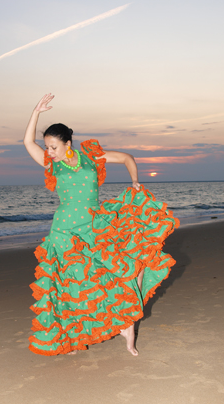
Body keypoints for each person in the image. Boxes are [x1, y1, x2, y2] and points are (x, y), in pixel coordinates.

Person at [24, 93, 179, 356]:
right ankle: (71, 338)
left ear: (68, 143)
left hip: (94, 225)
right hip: (64, 230)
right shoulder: (52, 164)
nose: (49, 152)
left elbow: (128, 158)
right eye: (47, 147)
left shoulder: (91, 158)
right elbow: (27, 142)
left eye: (53, 147)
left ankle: (127, 325)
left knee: (129, 267)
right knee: (70, 285)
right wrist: (36, 111)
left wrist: (134, 181)